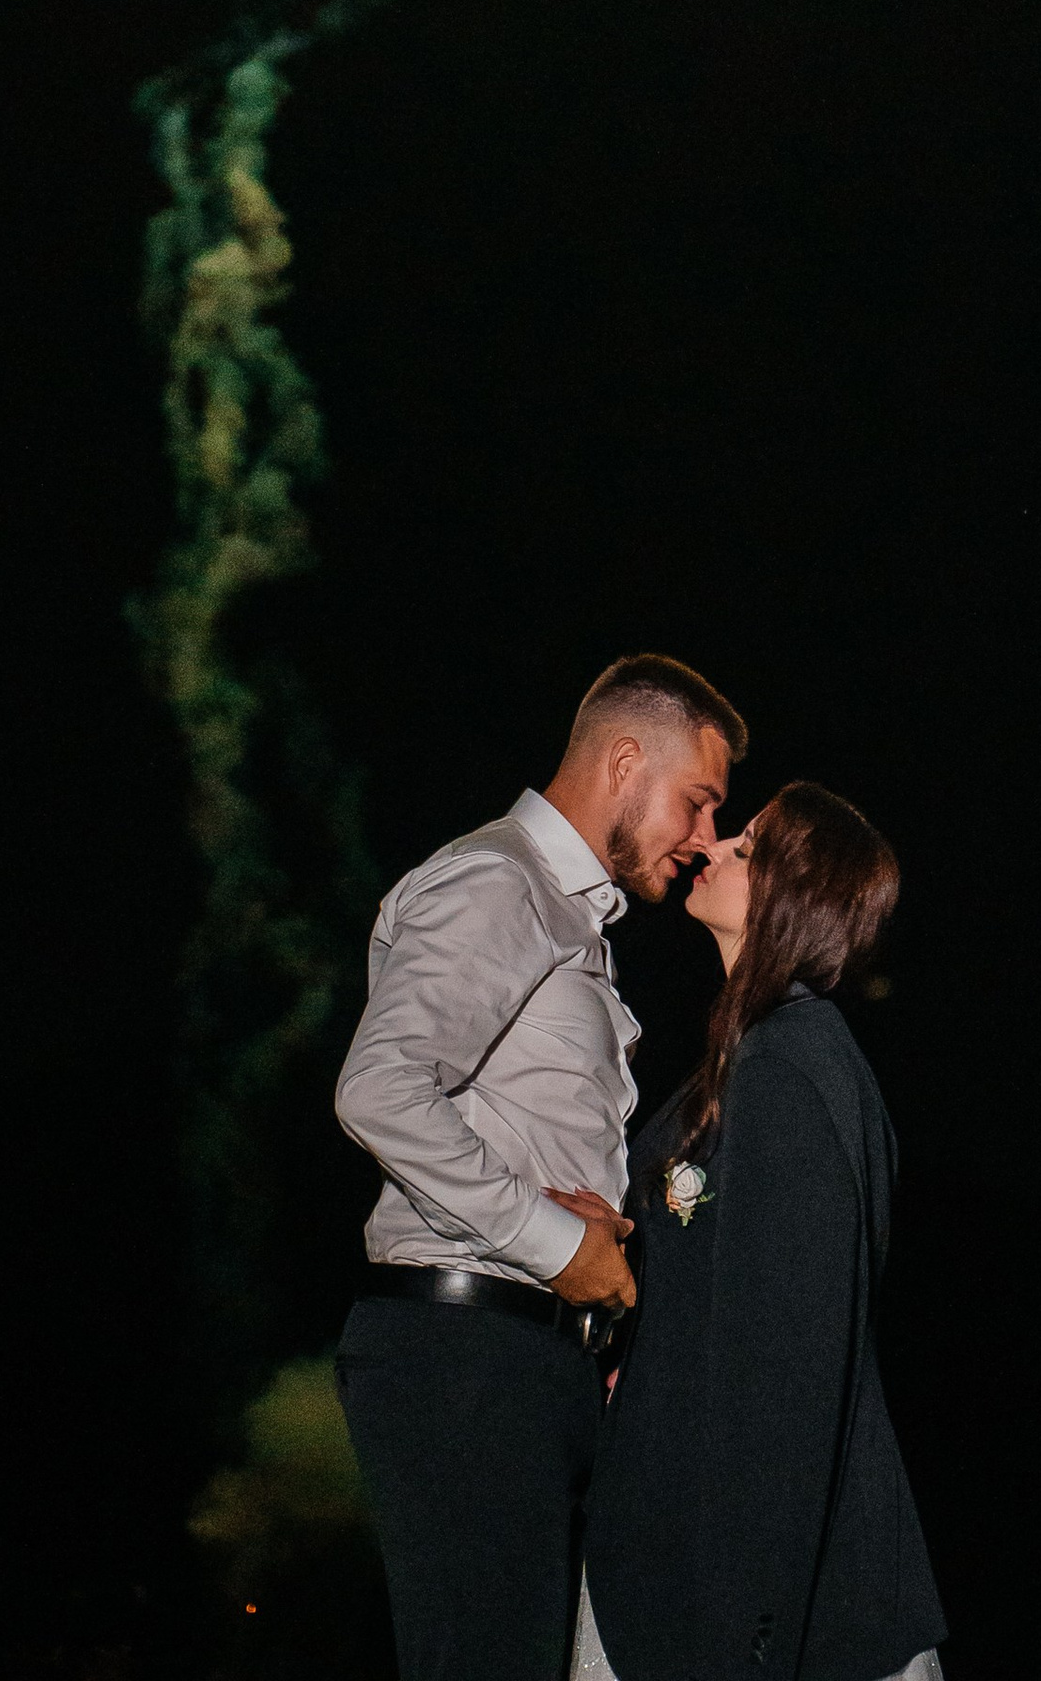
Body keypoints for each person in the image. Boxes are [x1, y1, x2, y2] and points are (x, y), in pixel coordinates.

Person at [334, 652, 746, 1681]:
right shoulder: (498, 879)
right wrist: (560, 1245)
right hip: (464, 1354)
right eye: (696, 802)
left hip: (525, 1357)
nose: (702, 838)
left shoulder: (569, 915)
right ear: (622, 760)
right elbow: (379, 1088)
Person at [574, 782, 946, 1681]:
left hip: (757, 1622)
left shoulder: (792, 1073)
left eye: (749, 847)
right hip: (685, 1585)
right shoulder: (752, 1061)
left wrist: (743, 1641)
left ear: (794, 895)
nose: (716, 846)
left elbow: (784, 1384)